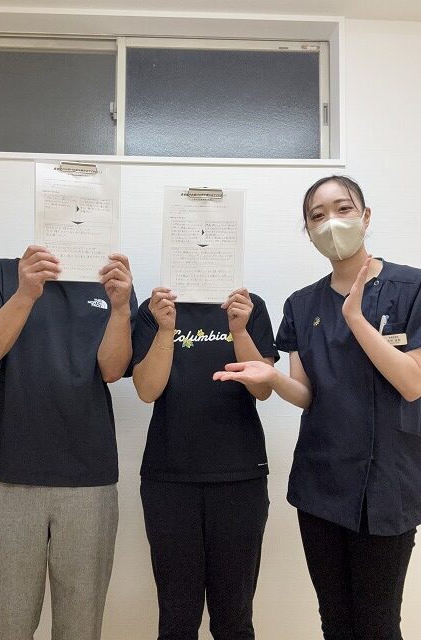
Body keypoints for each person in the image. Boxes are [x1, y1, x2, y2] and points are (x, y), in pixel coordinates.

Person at [214, 175, 421, 640]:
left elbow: (412, 384)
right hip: (321, 482)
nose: (331, 222)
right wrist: (272, 379)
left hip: (387, 483)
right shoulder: (302, 303)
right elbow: (307, 394)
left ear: (365, 216)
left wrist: (355, 318)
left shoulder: (412, 287)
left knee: (378, 625)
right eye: (317, 215)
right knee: (335, 622)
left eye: (343, 209)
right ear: (308, 232)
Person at [0, 246, 137, 640]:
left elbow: (112, 370)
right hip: (5, 474)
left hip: (89, 479)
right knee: (4, 628)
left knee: (81, 629)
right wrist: (25, 293)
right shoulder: (2, 272)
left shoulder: (111, 280)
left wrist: (121, 309)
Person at [131, 285, 279, 640]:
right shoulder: (155, 309)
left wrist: (239, 331)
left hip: (239, 478)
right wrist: (166, 329)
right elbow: (147, 390)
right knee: (177, 621)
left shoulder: (249, 306)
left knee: (234, 621)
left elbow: (263, 389)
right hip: (170, 480)